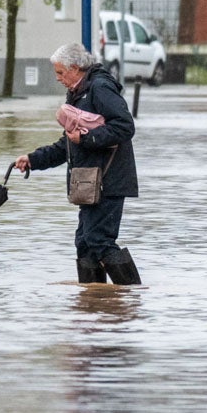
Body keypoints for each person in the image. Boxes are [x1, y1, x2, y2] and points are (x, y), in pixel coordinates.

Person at [14, 43, 141, 285]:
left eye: (61, 72)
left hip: (108, 181)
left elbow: (125, 127)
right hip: (90, 184)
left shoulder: (100, 88)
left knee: (98, 240)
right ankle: (94, 301)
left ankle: (131, 294)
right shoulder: (78, 93)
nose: (58, 78)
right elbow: (68, 145)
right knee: (84, 242)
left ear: (75, 68)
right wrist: (32, 160)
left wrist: (86, 138)